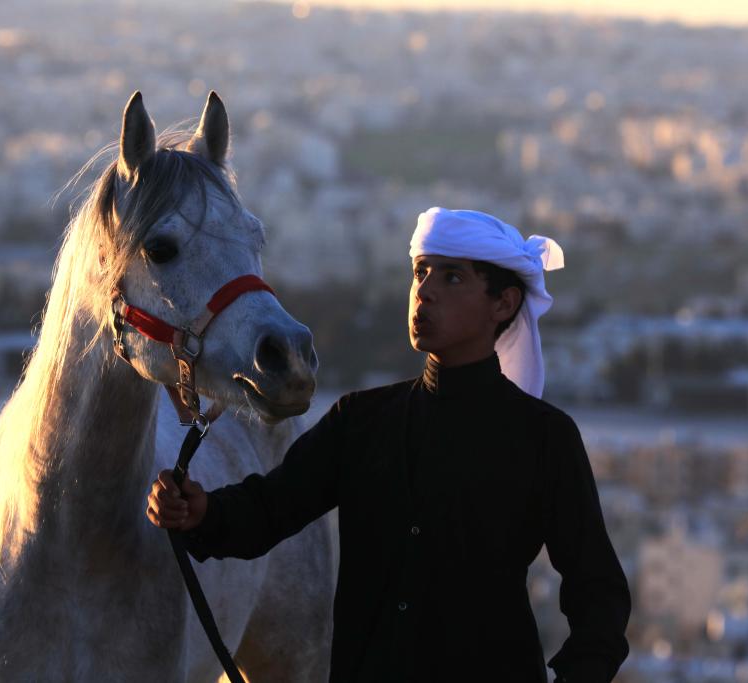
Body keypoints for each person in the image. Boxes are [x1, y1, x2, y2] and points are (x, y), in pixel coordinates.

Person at [147, 207, 631, 683]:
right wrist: (202, 512)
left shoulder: (544, 438)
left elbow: (599, 595)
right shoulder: (360, 420)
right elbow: (271, 508)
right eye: (421, 273)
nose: (425, 293)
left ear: (503, 304)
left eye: (452, 279)